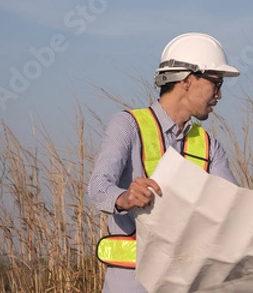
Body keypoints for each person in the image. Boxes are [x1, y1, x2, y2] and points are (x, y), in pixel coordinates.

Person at [87, 32, 240, 293]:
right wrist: (125, 198)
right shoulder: (128, 125)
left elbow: (232, 209)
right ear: (188, 81)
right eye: (216, 83)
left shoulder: (210, 146)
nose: (219, 94)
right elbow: (97, 188)